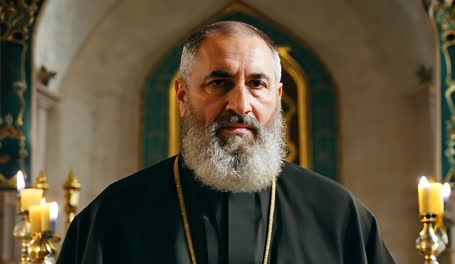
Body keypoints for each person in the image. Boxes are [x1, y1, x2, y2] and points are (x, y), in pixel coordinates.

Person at [57, 21, 395, 264]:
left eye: (257, 84)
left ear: (277, 97)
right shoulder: (114, 216)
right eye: (219, 82)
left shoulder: (337, 215)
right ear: (182, 95)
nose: (240, 104)